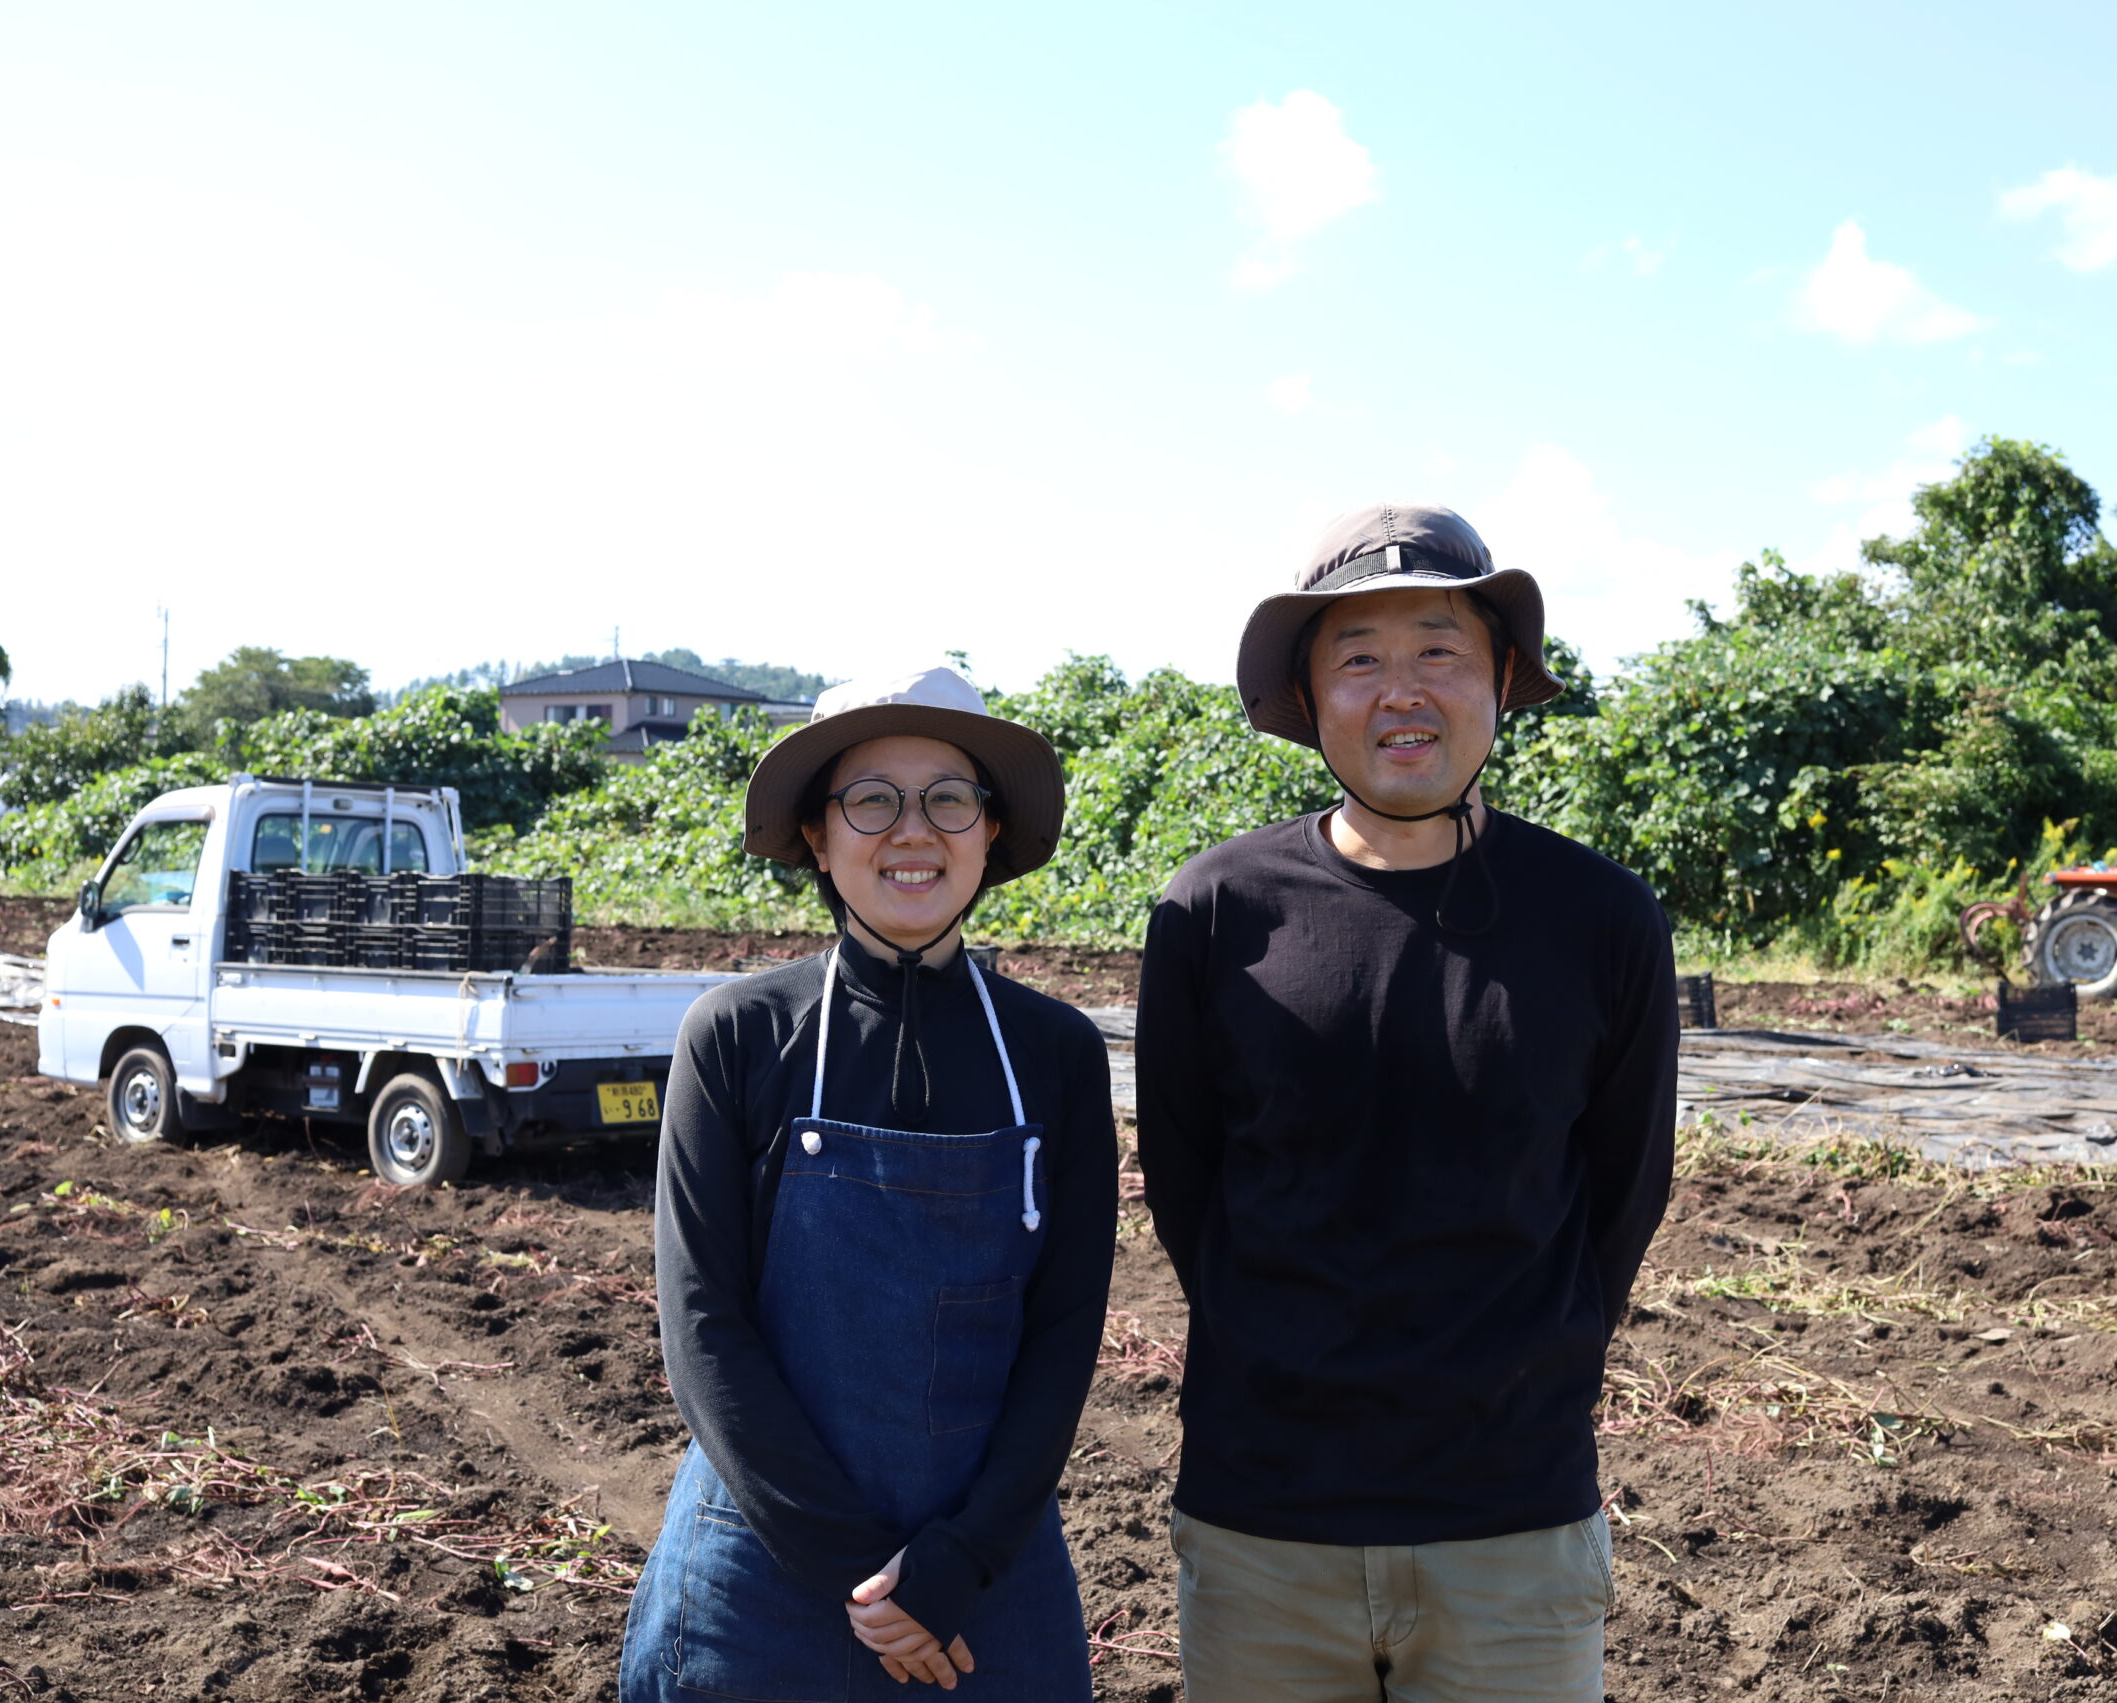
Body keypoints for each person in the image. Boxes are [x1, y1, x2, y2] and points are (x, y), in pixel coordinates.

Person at [1136, 503, 1680, 1700]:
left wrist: (1523, 1371)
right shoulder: (1214, 912)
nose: (1402, 690)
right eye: (1359, 656)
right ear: (1309, 694)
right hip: (1262, 1522)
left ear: (1498, 677)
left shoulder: (1600, 919)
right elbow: (1186, 1188)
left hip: (1511, 1523)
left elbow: (1623, 1191)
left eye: (1438, 648)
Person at [623, 666, 1115, 1701]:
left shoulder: (1055, 1051)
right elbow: (701, 1326)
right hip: (765, 1560)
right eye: (871, 799)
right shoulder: (739, 1035)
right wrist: (860, 1577)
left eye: (947, 797)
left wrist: (957, 1561)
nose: (912, 830)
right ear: (817, 834)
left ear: (989, 830)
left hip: (987, 1562)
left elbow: (1065, 1331)